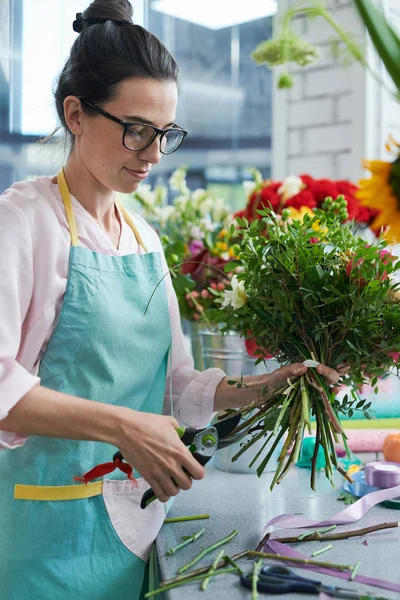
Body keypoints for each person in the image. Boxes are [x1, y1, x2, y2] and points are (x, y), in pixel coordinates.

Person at [0, 1, 342, 598]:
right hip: (40, 536)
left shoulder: (143, 238)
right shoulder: (22, 221)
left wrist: (266, 387)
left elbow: (176, 384)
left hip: (127, 531)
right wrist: (126, 428)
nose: (154, 153)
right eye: (136, 129)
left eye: (167, 134)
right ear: (75, 114)